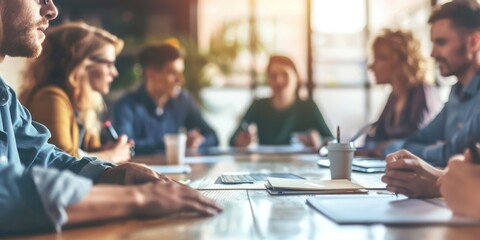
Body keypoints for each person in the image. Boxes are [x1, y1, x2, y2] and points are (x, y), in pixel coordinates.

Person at [0, 0, 221, 234]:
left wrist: (113, 174)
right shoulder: (52, 98)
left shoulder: (5, 97)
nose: (52, 10)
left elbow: (43, 158)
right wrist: (136, 199)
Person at [20, 22, 133, 164]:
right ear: (81, 63)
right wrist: (112, 155)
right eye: (108, 64)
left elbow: (86, 153)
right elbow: (62, 159)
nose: (115, 73)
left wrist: (105, 149)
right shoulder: (50, 97)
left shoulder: (81, 102)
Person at [399, 0, 480, 167]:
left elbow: (460, 155)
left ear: (474, 42)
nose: (433, 53)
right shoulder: (456, 93)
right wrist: (441, 150)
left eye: (441, 42)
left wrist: (439, 151)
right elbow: (412, 144)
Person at [113, 44, 218, 155]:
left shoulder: (183, 100)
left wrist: (197, 142)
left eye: (181, 73)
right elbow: (124, 145)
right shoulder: (126, 106)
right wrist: (174, 144)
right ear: (152, 75)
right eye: (173, 73)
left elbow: (212, 136)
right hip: (141, 171)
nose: (180, 80)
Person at [358, 29, 442, 158]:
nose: (371, 66)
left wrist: (385, 147)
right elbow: (375, 138)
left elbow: (418, 143)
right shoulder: (394, 96)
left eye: (380, 57)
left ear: (400, 60)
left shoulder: (422, 92)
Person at [230, 55, 333, 149]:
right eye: (273, 75)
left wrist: (318, 141)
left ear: (296, 78)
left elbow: (331, 142)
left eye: (285, 74)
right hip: (266, 165)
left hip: (300, 166)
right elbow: (232, 140)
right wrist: (240, 141)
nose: (279, 80)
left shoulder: (308, 107)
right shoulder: (258, 106)